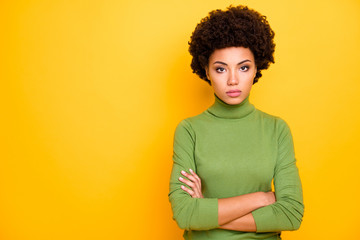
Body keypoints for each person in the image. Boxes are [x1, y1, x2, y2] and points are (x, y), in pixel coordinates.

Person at [168, 4, 304, 240]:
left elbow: (291, 214)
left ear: (255, 70)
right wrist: (261, 199)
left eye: (243, 67)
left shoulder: (276, 129)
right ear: (207, 72)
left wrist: (208, 212)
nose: (233, 80)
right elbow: (185, 214)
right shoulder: (189, 130)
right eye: (221, 69)